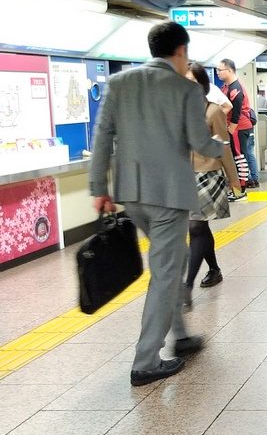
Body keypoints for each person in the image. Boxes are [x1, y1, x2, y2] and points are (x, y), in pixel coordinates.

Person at [90, 22, 227, 386]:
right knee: (166, 273)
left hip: (131, 193)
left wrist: (98, 188)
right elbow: (200, 141)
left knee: (172, 263)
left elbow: (102, 137)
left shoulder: (119, 83)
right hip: (168, 195)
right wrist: (222, 145)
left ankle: (180, 336)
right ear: (181, 51)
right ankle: (146, 361)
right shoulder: (185, 89)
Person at [184, 62, 240, 301]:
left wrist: (234, 179)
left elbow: (224, 146)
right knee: (201, 227)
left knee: (195, 227)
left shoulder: (213, 111)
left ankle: (187, 285)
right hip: (185, 175)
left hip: (208, 173)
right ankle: (214, 269)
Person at [217, 58, 260, 188]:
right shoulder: (226, 86)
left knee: (240, 156)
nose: (218, 72)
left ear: (229, 70)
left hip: (238, 127)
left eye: (220, 70)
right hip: (235, 127)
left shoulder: (235, 88)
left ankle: (242, 186)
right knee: (238, 155)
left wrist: (231, 128)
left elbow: (236, 111)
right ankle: (241, 184)